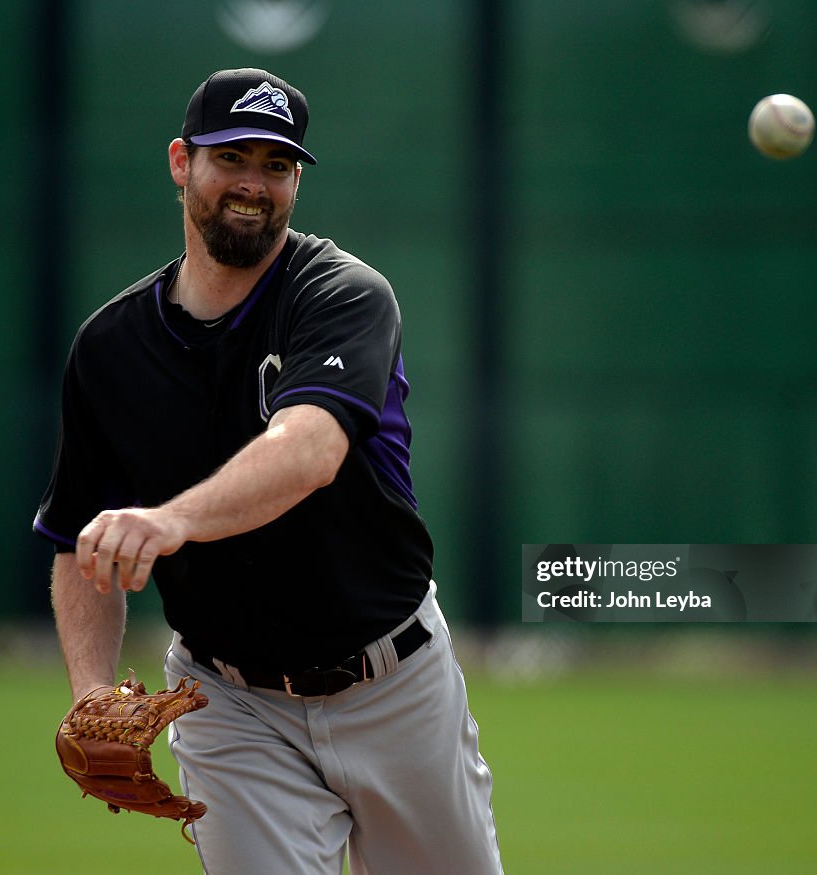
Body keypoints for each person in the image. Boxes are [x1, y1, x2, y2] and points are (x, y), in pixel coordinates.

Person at [33, 67, 503, 874]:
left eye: (277, 166)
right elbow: (84, 541)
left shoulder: (344, 295)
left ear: (295, 182)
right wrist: (87, 690)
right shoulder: (109, 349)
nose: (253, 185)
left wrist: (171, 519)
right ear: (182, 163)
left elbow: (311, 449)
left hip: (393, 683)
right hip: (230, 704)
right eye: (232, 158)